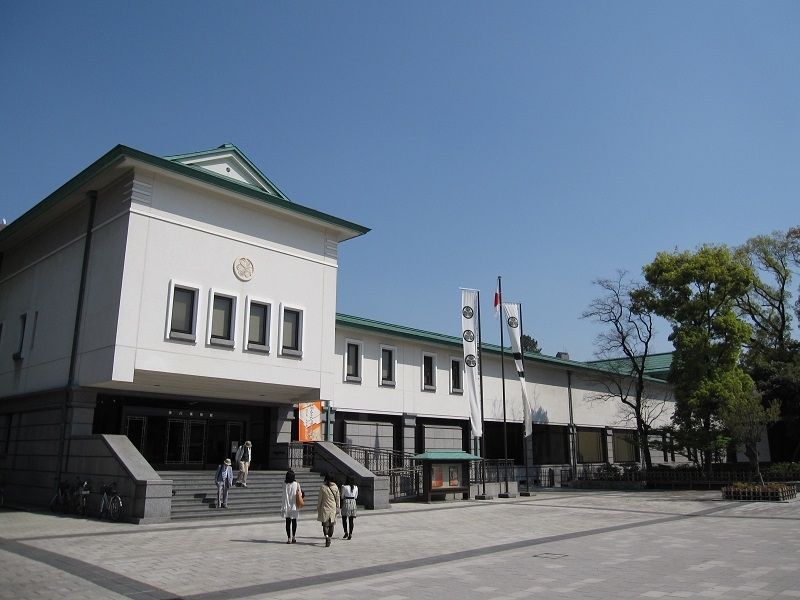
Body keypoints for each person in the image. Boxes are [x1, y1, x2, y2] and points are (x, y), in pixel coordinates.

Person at [316, 472, 341, 547]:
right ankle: (329, 537)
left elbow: (320, 499)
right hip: (333, 508)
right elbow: (338, 499)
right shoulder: (336, 487)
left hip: (325, 508)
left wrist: (318, 507)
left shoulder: (323, 487)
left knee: (325, 525)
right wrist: (338, 507)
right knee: (331, 525)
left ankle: (327, 537)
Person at [281, 469, 303, 544]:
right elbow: (300, 494)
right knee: (294, 522)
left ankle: (289, 538)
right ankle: (294, 537)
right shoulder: (296, 484)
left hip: (286, 506)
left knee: (287, 522)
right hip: (294, 506)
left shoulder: (284, 484)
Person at [340, 475, 358, 540]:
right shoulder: (356, 487)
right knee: (351, 520)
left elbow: (342, 496)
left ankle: (346, 532)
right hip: (353, 502)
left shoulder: (344, 487)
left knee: (344, 518)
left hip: (346, 502)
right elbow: (356, 496)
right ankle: (350, 533)